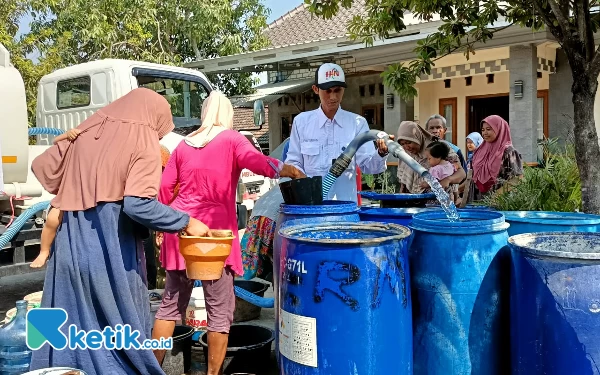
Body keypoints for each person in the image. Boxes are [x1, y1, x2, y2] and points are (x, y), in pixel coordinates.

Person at [29, 88, 210, 374]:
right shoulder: (143, 140)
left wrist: (65, 142)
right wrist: (186, 222)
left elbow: (41, 166)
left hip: (68, 252)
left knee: (67, 332)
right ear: (154, 118)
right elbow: (138, 206)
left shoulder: (85, 133)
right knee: (121, 341)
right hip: (111, 251)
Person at [152, 91, 304, 375]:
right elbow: (258, 162)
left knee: (171, 305)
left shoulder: (183, 146)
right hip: (213, 236)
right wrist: (289, 170)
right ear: (228, 115)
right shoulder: (232, 139)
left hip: (180, 230)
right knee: (219, 311)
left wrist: (165, 224)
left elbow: (163, 189)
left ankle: (150, 369)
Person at [285, 63, 389, 202]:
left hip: (345, 210)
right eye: (327, 91)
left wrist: (381, 153)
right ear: (316, 89)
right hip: (312, 209)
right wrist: (306, 186)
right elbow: (293, 163)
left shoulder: (357, 123)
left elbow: (370, 166)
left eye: (337, 90)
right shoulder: (302, 123)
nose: (333, 97)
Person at [30, 128, 81, 268]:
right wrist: (68, 134)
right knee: (53, 218)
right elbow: (55, 141)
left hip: (90, 188)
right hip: (71, 186)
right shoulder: (81, 134)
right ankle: (44, 251)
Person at [396, 121, 466, 195]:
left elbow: (461, 173)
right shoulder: (404, 154)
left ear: (417, 137)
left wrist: (448, 180)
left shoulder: (437, 147)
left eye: (408, 142)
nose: (406, 147)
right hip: (414, 200)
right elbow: (403, 184)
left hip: (439, 199)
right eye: (402, 144)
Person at [468, 115, 524, 201]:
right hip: (476, 200)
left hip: (499, 201)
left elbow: (517, 178)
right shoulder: (479, 151)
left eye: (489, 129)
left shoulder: (509, 152)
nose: (484, 133)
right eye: (483, 130)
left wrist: (496, 196)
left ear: (499, 129)